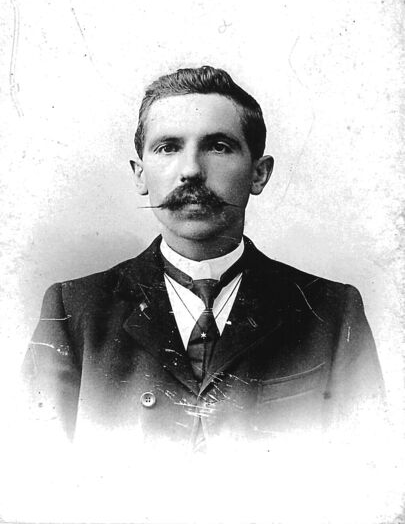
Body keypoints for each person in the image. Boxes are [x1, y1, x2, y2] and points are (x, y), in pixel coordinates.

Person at [23, 66, 384, 449]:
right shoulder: (74, 311)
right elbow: (36, 466)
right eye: (168, 147)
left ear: (259, 174)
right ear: (140, 175)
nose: (192, 170)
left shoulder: (332, 313)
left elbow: (366, 466)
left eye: (219, 146)